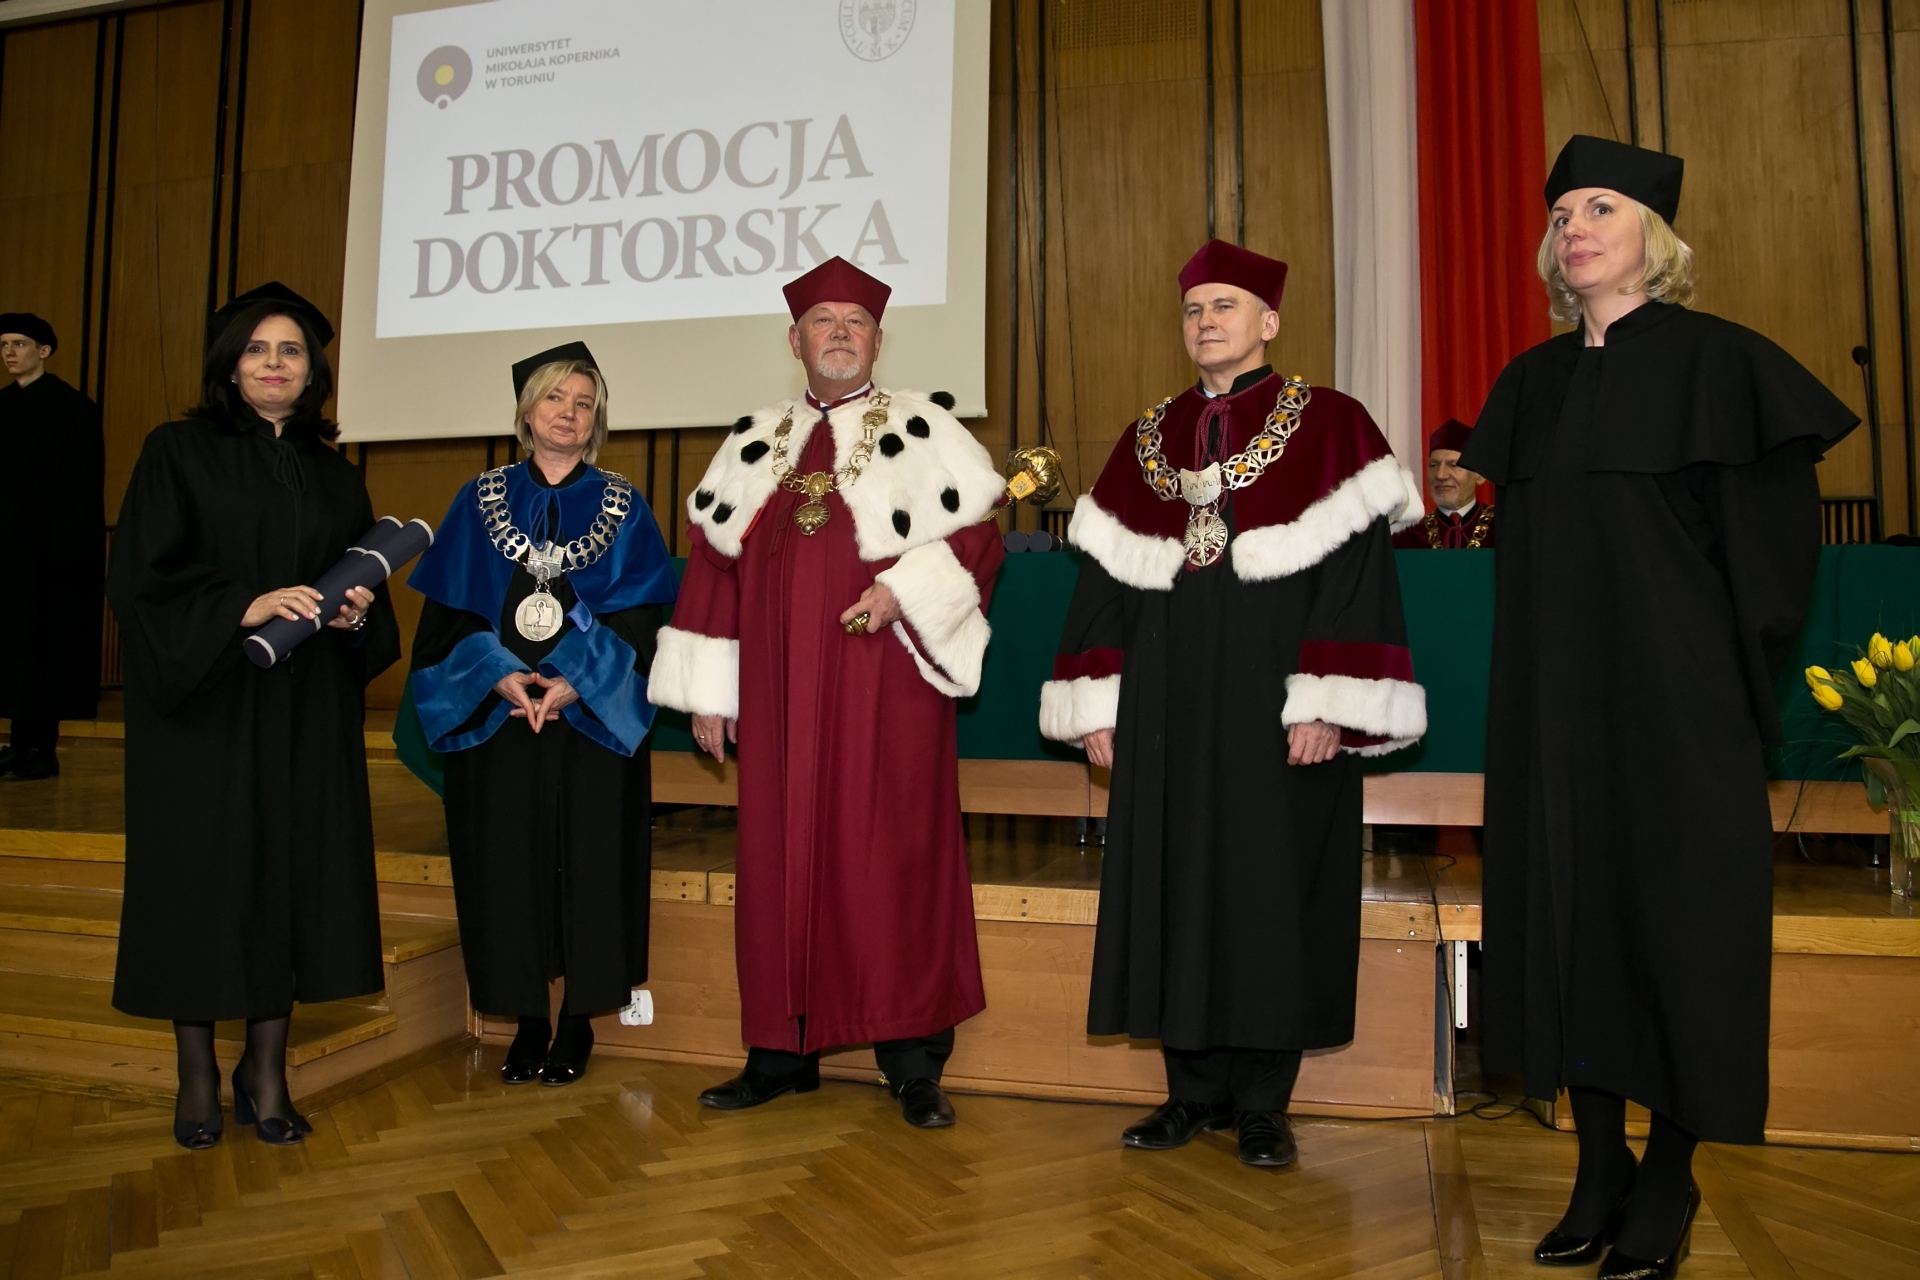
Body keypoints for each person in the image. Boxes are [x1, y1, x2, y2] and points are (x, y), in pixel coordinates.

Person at [1464, 136, 1857, 1278]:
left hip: (1680, 710)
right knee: (1569, 924)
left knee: (1680, 935)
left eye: (1602, 208)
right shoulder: (1530, 384)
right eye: (1562, 215)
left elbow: (1773, 573)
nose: (1575, 228)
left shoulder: (1725, 367)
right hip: (1552, 714)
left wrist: (1715, 689)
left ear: (1656, 236)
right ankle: (1599, 1165)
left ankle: (1672, 1176)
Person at [1040, 240, 1426, 1168]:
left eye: (1225, 306)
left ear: (1269, 321)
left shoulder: (1332, 424)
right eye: (1194, 309)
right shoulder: (1147, 438)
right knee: (1173, 881)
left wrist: (1326, 702)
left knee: (1269, 889)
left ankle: (1262, 1103)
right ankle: (1191, 1092)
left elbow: (1358, 580)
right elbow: (1101, 587)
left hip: (1278, 706)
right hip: (1166, 706)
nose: (1206, 321)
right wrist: (1098, 702)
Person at [647, 256, 1006, 1129]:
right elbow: (713, 570)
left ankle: (911, 1060)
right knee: (777, 859)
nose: (839, 334)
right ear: (794, 340)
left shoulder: (924, 429)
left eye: (856, 322)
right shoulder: (753, 440)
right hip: (775, 697)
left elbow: (980, 542)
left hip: (889, 690)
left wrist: (905, 590)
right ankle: (781, 1052)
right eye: (823, 322)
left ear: (878, 340)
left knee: (895, 859)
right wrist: (708, 691)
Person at [107, 282, 399, 1149]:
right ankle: (196, 1072)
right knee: (200, 881)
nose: (275, 364)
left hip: (304, 710)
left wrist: (353, 615)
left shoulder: (335, 474)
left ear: (313, 371)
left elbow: (365, 601)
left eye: (292, 351)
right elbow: (140, 578)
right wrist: (244, 604)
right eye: (258, 349)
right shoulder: (178, 451)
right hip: (204, 707)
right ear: (230, 365)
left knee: (289, 878)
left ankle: (265, 1071)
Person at [409, 342, 675, 1087]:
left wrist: (576, 681)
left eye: (584, 403)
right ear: (527, 412)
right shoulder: (478, 500)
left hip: (591, 719)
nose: (569, 413)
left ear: (597, 421)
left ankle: (578, 1019)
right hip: (500, 717)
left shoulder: (623, 505)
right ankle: (526, 1018)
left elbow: (642, 621)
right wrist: (496, 676)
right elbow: (447, 620)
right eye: (556, 398)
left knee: (594, 858)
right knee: (504, 860)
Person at [0, 313, 104, 780]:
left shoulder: (72, 408)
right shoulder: (1, 406)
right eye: (4, 344)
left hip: (50, 554)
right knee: (13, 650)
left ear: (43, 351)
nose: (9, 352)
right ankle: (17, 745)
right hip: (8, 551)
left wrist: (66, 549)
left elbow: (81, 485)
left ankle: (40, 749)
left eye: (19, 343)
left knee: (44, 648)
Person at [1392, 418, 1495, 549]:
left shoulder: (1504, 529)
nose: (1440, 475)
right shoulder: (1407, 536)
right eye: (1434, 465)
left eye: (1454, 465)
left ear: (1480, 475)